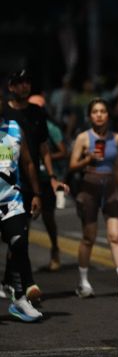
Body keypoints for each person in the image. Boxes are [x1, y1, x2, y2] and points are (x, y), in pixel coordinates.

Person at [1, 70, 68, 302]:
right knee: (19, 235)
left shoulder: (37, 112)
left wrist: (51, 176)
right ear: (11, 87)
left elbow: (43, 148)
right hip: (9, 184)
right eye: (19, 82)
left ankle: (17, 283)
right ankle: (23, 284)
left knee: (21, 234)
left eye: (27, 82)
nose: (24, 86)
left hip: (32, 181)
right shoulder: (5, 113)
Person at [69, 98, 118, 300]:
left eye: (103, 111)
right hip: (89, 188)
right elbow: (72, 166)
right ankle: (83, 283)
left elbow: (116, 166)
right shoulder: (83, 138)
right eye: (95, 112)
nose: (99, 115)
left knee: (115, 236)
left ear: (108, 115)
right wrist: (88, 159)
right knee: (89, 237)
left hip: (110, 189)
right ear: (90, 116)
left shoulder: (116, 138)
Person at [0, 95, 43, 321]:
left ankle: (20, 298)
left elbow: (27, 162)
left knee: (19, 242)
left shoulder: (15, 129)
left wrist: (36, 193)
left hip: (12, 201)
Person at [28, 94, 68, 271]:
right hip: (29, 178)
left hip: (47, 179)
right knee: (24, 219)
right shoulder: (21, 126)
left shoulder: (50, 128)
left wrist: (45, 158)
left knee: (48, 216)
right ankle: (22, 259)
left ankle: (55, 250)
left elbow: (63, 151)